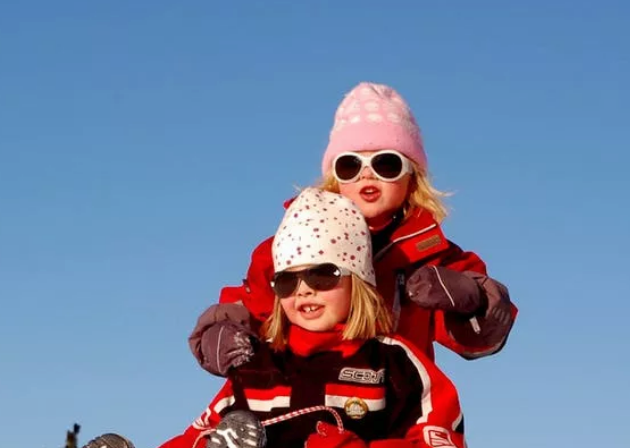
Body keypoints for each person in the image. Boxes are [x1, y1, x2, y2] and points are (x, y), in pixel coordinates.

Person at [41, 189, 551, 448]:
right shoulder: (260, 364)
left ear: (359, 283)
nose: (304, 289)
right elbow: (197, 435)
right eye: (289, 279)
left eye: (324, 275)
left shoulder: (394, 362)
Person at [190, 82, 517, 379]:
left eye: (386, 164)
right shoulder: (294, 245)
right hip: (306, 393)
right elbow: (253, 304)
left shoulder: (433, 256)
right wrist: (222, 331)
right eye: (350, 165)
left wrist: (471, 299)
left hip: (396, 400)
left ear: (412, 176)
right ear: (335, 177)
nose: (366, 175)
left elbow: (479, 340)